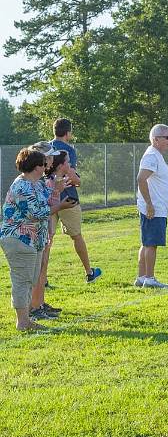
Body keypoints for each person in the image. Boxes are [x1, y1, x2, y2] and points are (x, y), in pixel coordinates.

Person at [1, 147, 76, 331]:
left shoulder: (37, 183)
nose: (46, 167)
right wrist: (60, 206)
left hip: (33, 240)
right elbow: (37, 213)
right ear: (36, 166)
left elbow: (47, 202)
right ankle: (23, 322)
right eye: (43, 164)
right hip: (19, 239)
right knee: (22, 280)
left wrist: (57, 191)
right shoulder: (22, 186)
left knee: (31, 279)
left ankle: (26, 319)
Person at [29, 143, 80, 320]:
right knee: (38, 271)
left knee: (42, 269)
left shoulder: (44, 179)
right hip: (34, 233)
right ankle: (34, 306)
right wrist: (57, 193)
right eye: (48, 157)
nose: (50, 160)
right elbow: (43, 207)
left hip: (44, 232)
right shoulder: (39, 180)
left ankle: (39, 304)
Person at [49, 118, 102, 283]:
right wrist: (78, 180)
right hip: (67, 197)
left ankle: (42, 278)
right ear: (68, 133)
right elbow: (71, 175)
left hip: (47, 196)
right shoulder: (68, 150)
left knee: (47, 238)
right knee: (77, 236)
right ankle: (89, 272)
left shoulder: (44, 146)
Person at [135, 124, 168, 289]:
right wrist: (150, 204)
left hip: (157, 207)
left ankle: (142, 277)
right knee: (151, 243)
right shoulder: (152, 155)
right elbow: (141, 179)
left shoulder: (156, 155)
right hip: (154, 208)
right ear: (156, 139)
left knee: (147, 243)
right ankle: (150, 279)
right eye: (167, 137)